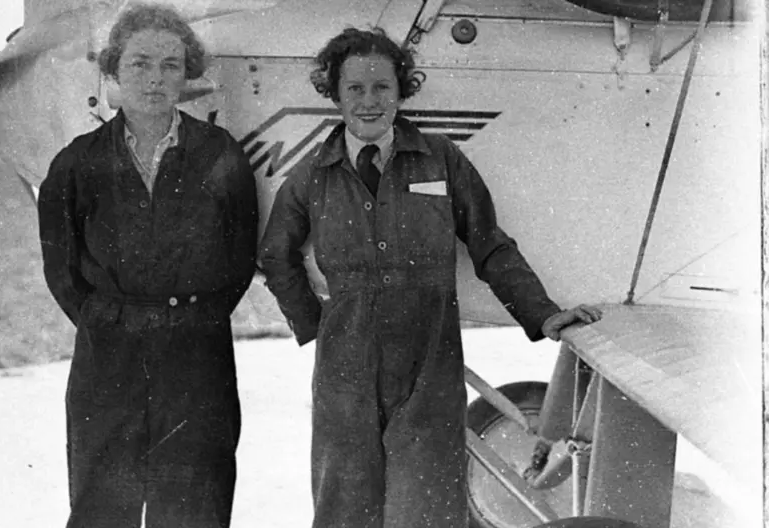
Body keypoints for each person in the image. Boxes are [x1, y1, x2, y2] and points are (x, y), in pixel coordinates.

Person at [258, 27, 602, 527]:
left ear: (402, 91)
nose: (370, 101)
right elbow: (275, 254)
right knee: (344, 510)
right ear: (335, 95)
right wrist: (314, 324)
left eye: (382, 87)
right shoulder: (313, 172)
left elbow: (489, 243)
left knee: (428, 509)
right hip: (345, 369)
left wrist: (543, 314)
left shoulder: (442, 158)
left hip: (430, 363)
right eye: (355, 89)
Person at [37, 4, 258, 527]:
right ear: (113, 69)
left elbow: (238, 259)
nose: (155, 79)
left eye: (170, 65)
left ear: (188, 75)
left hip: (196, 355)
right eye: (139, 64)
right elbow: (63, 273)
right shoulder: (77, 161)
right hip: (108, 356)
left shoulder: (220, 154)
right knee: (101, 505)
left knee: (194, 506)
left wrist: (189, 316)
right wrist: (116, 318)